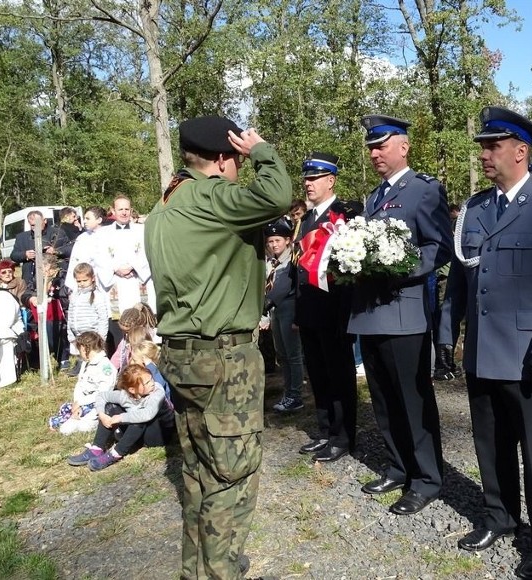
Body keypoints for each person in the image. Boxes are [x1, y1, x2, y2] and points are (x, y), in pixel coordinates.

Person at [144, 115, 291, 579]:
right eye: (238, 163)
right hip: (223, 358)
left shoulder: (164, 207)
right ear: (226, 159)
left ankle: (199, 569)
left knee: (198, 473)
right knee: (233, 475)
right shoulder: (209, 197)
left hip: (182, 356)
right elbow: (276, 195)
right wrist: (262, 150)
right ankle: (220, 571)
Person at [439, 106, 532, 578]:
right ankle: (498, 516)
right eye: (482, 145)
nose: (484, 153)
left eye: (492, 145)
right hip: (482, 350)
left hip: (528, 355)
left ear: (520, 151)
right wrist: (447, 334)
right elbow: (462, 278)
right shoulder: (477, 207)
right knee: (490, 442)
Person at [348, 114, 452, 516]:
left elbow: (438, 246)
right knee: (383, 398)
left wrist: (398, 266)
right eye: (371, 147)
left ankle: (426, 478)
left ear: (403, 147)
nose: (374, 153)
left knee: (412, 400)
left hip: (403, 312)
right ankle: (397, 465)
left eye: (381, 145)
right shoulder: (374, 196)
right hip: (370, 313)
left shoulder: (424, 191)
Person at [294, 151, 358, 462]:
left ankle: (343, 436)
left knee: (339, 375)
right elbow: (300, 268)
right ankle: (325, 431)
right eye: (306, 178)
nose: (308, 183)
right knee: (317, 374)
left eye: (314, 178)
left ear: (330, 180)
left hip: (334, 310)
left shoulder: (345, 214)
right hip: (309, 310)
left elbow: (351, 266)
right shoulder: (306, 218)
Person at [66, 363, 175, 471]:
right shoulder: (124, 395)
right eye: (147, 382)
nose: (152, 383)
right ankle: (97, 448)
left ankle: (116, 453)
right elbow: (101, 396)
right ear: (132, 390)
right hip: (139, 433)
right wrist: (102, 414)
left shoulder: (157, 391)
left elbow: (147, 414)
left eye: (151, 379)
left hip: (159, 435)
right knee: (110, 406)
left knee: (138, 416)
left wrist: (120, 418)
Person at [95, 195, 155, 351]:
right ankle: (120, 359)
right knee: (118, 324)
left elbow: (149, 253)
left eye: (127, 209)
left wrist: (134, 267)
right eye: (120, 209)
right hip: (116, 283)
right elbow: (99, 258)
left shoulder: (142, 230)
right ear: (113, 210)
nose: (123, 212)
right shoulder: (103, 233)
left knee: (140, 321)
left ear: (131, 210)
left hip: (137, 281)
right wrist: (115, 268)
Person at [261, 218, 304, 413]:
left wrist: (298, 318)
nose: (273, 244)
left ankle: (295, 395)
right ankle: (288, 392)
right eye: (270, 241)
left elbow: (294, 287)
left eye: (277, 240)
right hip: (275, 311)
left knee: (293, 354)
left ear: (287, 240)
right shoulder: (271, 262)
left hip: (290, 308)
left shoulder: (294, 259)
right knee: (282, 355)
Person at [48, 331, 116, 434]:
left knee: (78, 428)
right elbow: (80, 384)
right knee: (64, 425)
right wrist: (77, 403)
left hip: (97, 405)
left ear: (84, 349)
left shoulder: (106, 367)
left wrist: (81, 403)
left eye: (79, 350)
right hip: (82, 402)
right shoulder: (86, 363)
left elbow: (103, 394)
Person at [21, 253, 70, 370]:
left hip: (61, 315)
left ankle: (62, 357)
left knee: (56, 329)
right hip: (42, 314)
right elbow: (26, 294)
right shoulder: (37, 279)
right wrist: (31, 298)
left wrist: (51, 296)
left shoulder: (63, 277)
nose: (40, 271)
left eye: (41, 267)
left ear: (50, 267)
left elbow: (65, 296)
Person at [67, 263, 110, 376]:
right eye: (78, 281)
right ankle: (83, 372)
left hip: (92, 335)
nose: (81, 284)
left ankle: (99, 374)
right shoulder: (74, 296)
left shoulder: (97, 296)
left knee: (94, 356)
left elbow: (103, 318)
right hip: (78, 333)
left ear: (92, 278)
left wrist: (101, 336)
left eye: (84, 280)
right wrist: (70, 334)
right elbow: (70, 315)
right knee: (83, 355)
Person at [10, 211, 70, 290]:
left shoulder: (58, 233)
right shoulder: (22, 237)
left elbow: (69, 249)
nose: (35, 227)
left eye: (37, 224)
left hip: (54, 278)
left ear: (44, 221)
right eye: (32, 225)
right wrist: (25, 255)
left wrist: (56, 251)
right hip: (31, 279)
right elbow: (13, 255)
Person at [64, 205, 107, 292]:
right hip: (84, 283)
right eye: (84, 218)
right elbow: (74, 261)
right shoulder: (82, 238)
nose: (84, 221)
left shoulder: (109, 236)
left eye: (88, 218)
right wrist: (72, 285)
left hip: (104, 282)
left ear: (99, 220)